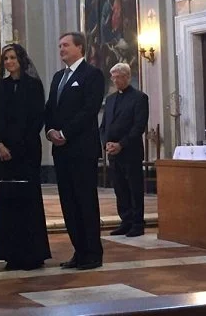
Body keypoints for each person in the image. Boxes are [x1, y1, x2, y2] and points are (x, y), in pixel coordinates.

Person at [44, 32, 105, 270]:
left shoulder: (92, 75)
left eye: (66, 45)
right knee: (68, 203)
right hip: (61, 151)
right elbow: (50, 108)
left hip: (81, 149)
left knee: (85, 202)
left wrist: (65, 133)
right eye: (59, 45)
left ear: (80, 47)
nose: (61, 49)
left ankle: (93, 253)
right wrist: (50, 131)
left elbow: (89, 110)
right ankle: (79, 251)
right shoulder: (59, 77)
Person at [0, 44, 51, 271]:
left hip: (27, 151)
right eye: (6, 58)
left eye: (13, 57)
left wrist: (19, 145)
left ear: (21, 60)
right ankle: (10, 253)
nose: (9, 62)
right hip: (4, 152)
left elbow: (37, 118)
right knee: (8, 200)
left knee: (29, 199)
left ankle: (33, 253)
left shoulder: (34, 86)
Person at [100, 63, 149, 237]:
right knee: (119, 189)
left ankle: (137, 223)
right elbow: (104, 125)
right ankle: (125, 220)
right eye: (113, 77)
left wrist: (121, 144)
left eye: (118, 76)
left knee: (134, 188)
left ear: (127, 77)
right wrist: (107, 143)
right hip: (113, 152)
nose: (115, 80)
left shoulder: (139, 98)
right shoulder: (111, 99)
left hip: (130, 151)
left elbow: (138, 126)